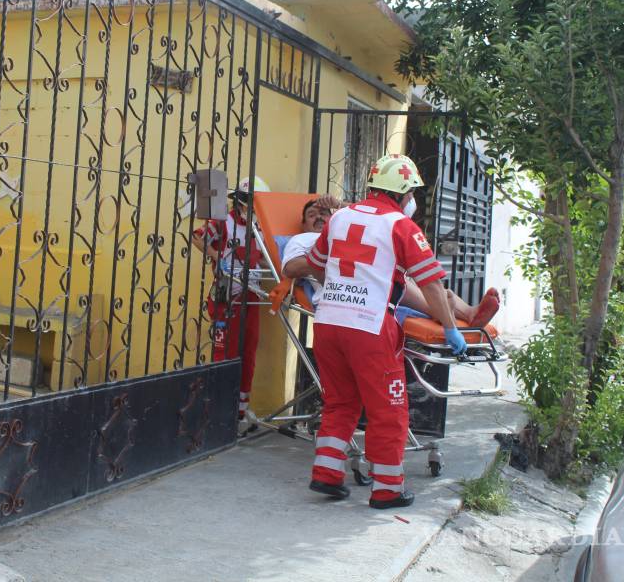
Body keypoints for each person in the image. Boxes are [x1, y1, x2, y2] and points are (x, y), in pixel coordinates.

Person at [286, 154, 466, 509]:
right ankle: (388, 489)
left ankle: (326, 474)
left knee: (340, 401)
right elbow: (431, 284)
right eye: (411, 192)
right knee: (389, 409)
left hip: (328, 323)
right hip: (369, 327)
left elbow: (317, 265)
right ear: (403, 193)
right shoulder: (402, 226)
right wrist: (451, 329)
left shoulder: (340, 217)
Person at [280, 197, 501, 326]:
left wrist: (339, 203)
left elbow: (371, 213)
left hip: (373, 276)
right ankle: (441, 311)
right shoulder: (302, 240)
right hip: (348, 290)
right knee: (392, 278)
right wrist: (332, 254)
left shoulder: (346, 225)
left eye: (324, 213)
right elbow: (290, 268)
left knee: (406, 271)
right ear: (302, 223)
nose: (319, 217)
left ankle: (468, 312)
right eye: (311, 214)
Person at [191, 176, 269, 420]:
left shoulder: (262, 227)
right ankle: (216, 408)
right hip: (227, 296)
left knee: (248, 353)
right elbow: (197, 237)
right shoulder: (222, 222)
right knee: (225, 352)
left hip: (253, 295)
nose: (251, 208)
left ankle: (241, 410)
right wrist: (217, 257)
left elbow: (267, 256)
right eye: (248, 203)